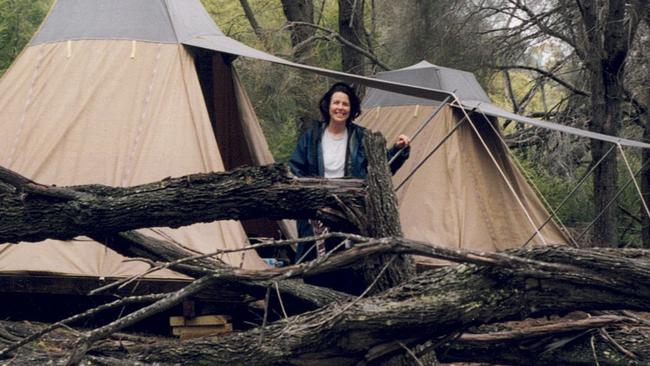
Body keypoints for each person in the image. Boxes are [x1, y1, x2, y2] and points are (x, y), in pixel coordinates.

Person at [289, 82, 411, 262]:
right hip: (317, 211)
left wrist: (398, 150)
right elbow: (296, 169)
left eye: (345, 104)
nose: (340, 108)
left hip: (351, 210)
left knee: (349, 263)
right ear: (328, 105)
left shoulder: (362, 137)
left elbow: (381, 170)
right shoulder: (312, 136)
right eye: (336, 103)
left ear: (351, 108)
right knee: (315, 265)